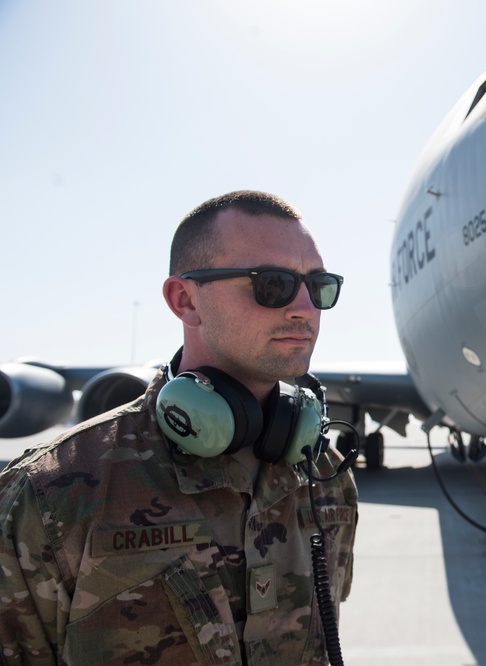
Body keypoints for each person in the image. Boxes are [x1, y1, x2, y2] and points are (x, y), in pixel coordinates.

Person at [0, 190, 358, 665]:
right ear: (185, 300)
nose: (304, 309)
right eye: (272, 284)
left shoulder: (326, 476)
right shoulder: (49, 496)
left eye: (319, 286)